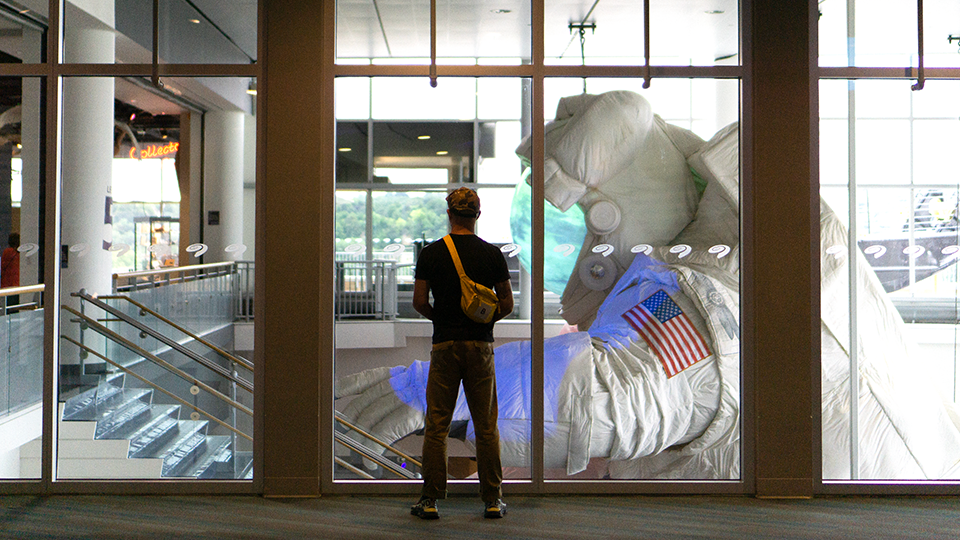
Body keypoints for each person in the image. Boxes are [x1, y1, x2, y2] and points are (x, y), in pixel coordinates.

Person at [410, 187, 513, 520]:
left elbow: (419, 301)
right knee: (486, 425)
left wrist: (442, 319)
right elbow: (507, 303)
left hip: (444, 345)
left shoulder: (430, 254)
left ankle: (429, 500)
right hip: (480, 346)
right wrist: (482, 322)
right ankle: (492, 499)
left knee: (437, 425)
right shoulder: (493, 255)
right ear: (477, 215)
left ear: (449, 214)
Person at [1, 233, 20, 312]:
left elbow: (3, 265)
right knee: (14, 308)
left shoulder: (6, 252)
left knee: (7, 308)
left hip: (6, 284)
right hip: (16, 284)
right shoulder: (18, 253)